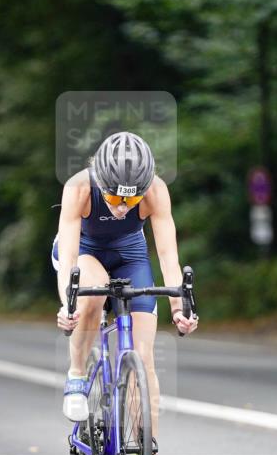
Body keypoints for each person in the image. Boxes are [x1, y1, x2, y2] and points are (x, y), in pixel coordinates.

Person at [53, 131, 199, 432]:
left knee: (144, 359)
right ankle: (77, 374)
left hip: (129, 255)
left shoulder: (155, 191)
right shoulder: (79, 187)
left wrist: (178, 308)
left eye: (131, 198)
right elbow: (67, 260)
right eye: (114, 197)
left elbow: (168, 256)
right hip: (84, 251)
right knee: (92, 289)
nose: (122, 207)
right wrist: (67, 305)